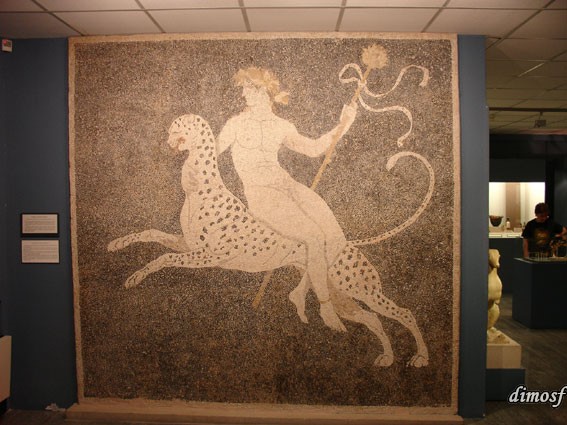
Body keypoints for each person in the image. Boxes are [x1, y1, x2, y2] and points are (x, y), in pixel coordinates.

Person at [217, 67, 357, 332]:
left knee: (335, 238)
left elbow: (313, 149)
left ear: (263, 91)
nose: (244, 94)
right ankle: (325, 305)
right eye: (243, 89)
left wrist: (344, 125)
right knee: (314, 237)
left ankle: (301, 290)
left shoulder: (282, 126)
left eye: (248, 88)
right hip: (262, 194)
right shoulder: (236, 124)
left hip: (288, 187)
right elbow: (211, 152)